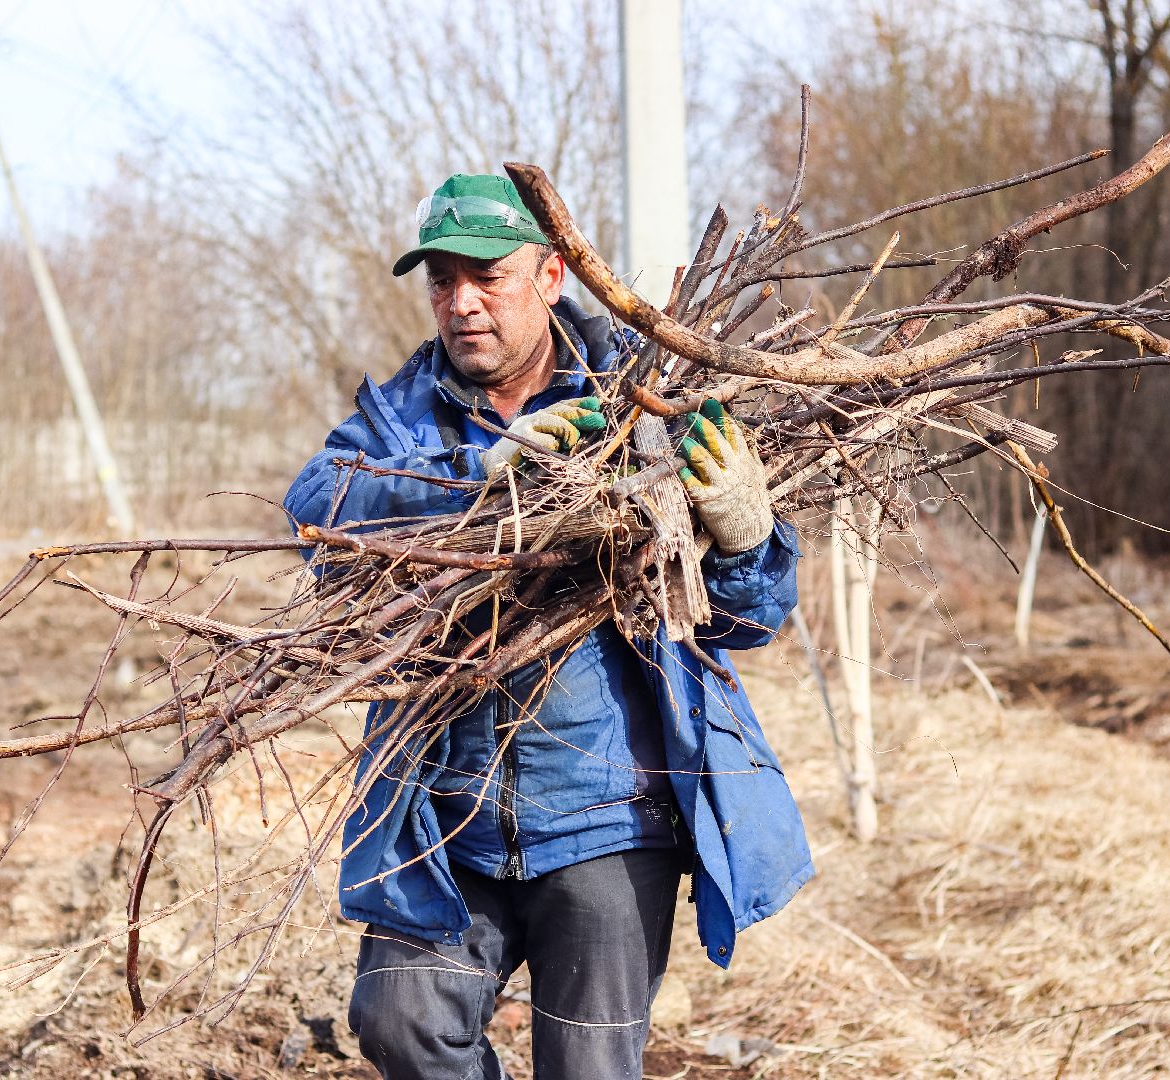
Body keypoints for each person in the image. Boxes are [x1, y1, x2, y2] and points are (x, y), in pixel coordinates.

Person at [282, 173, 811, 1079]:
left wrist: (744, 536)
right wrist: (476, 480)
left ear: (552, 275)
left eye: (487, 277)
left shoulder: (643, 403)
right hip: (447, 820)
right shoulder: (402, 420)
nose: (462, 302)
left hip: (609, 818)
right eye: (444, 281)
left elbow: (746, 621)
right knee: (399, 1022)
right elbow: (316, 508)